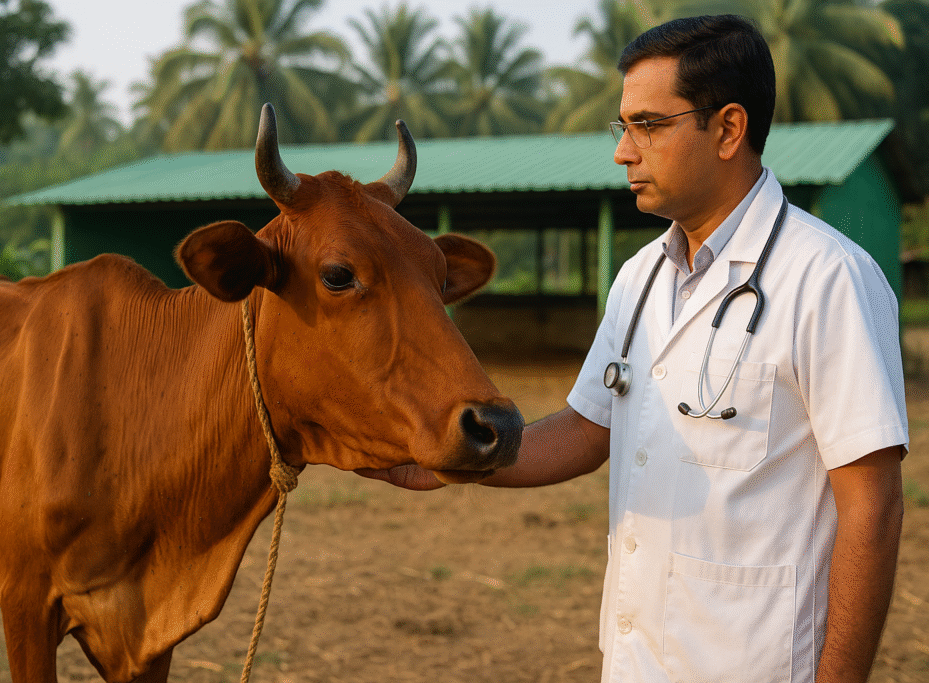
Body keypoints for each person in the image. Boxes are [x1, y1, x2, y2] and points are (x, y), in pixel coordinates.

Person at [358, 14, 908, 683]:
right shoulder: (640, 277)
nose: (624, 151)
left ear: (729, 129)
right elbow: (590, 429)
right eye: (624, 128)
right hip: (638, 660)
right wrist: (456, 461)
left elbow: (871, 504)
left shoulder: (827, 278)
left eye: (648, 125)